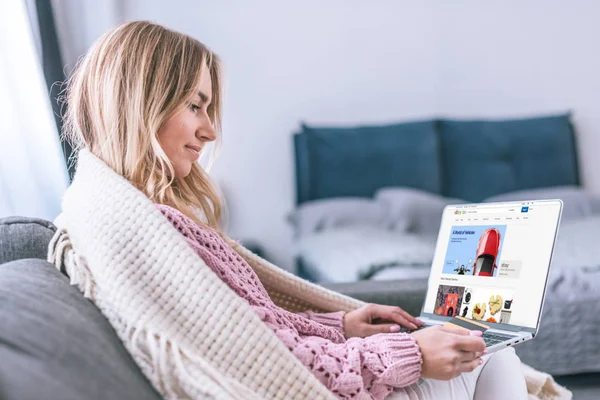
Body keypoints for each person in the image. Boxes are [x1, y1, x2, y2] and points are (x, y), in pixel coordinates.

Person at [62, 20, 528, 400]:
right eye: (194, 106)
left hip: (334, 365)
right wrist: (411, 353)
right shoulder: (150, 234)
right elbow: (267, 362)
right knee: (494, 355)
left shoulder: (133, 216)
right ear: (141, 104)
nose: (209, 131)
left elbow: (256, 330)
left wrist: (341, 325)